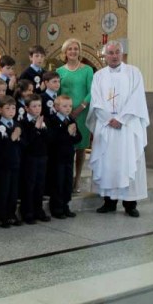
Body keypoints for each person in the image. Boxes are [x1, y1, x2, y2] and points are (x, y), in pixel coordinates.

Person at [87, 40, 149, 218]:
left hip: (127, 127)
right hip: (106, 125)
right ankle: (109, 202)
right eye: (110, 53)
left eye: (117, 52)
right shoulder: (99, 75)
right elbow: (96, 100)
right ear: (105, 56)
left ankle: (130, 204)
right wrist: (108, 118)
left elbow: (136, 99)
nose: (114, 56)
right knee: (107, 163)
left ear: (122, 54)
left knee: (128, 160)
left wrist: (121, 119)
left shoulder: (133, 73)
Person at [56, 38, 93, 192]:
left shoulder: (87, 70)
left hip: (82, 114)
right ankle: (66, 178)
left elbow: (92, 91)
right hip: (64, 114)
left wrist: (81, 107)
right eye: (70, 49)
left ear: (79, 51)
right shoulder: (59, 71)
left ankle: (77, 180)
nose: (73, 51)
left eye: (75, 48)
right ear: (65, 52)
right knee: (66, 146)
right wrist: (62, 110)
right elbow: (57, 92)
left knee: (80, 148)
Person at [46, 95, 82, 219]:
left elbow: (79, 138)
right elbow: (53, 139)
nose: (68, 109)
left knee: (67, 182)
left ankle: (65, 205)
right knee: (58, 182)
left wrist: (74, 134)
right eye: (64, 106)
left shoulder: (71, 120)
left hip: (68, 157)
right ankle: (57, 208)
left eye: (70, 106)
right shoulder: (52, 120)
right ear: (56, 107)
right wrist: (67, 133)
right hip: (57, 158)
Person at [0, 96, 23, 228]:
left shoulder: (17, 125)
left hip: (15, 162)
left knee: (13, 191)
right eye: (7, 108)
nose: (11, 111)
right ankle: (2, 216)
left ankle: (11, 214)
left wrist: (19, 139)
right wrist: (12, 138)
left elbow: (24, 144)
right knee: (3, 190)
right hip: (3, 164)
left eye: (13, 108)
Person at [19, 94, 51, 224]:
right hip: (29, 158)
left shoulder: (44, 121)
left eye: (39, 106)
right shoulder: (23, 122)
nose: (37, 109)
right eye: (34, 106)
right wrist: (36, 129)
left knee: (40, 185)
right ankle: (27, 212)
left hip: (42, 156)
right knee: (29, 185)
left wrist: (43, 129)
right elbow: (26, 142)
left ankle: (39, 210)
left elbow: (49, 140)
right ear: (26, 108)